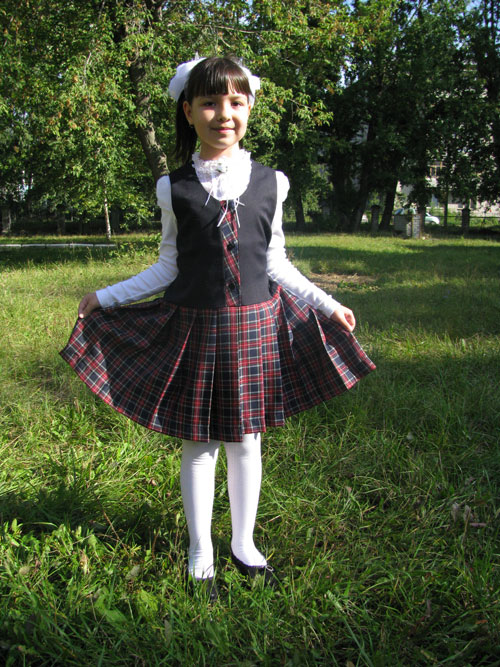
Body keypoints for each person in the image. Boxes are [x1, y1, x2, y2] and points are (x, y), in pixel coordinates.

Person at [60, 56, 375, 597]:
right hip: (197, 333)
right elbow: (168, 265)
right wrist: (106, 296)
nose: (223, 113)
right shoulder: (173, 188)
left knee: (247, 441)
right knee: (200, 444)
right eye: (209, 102)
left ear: (249, 107)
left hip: (256, 329)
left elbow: (276, 263)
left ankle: (244, 543)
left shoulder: (272, 182)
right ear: (188, 111)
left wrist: (328, 304)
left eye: (235, 101)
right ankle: (201, 549)